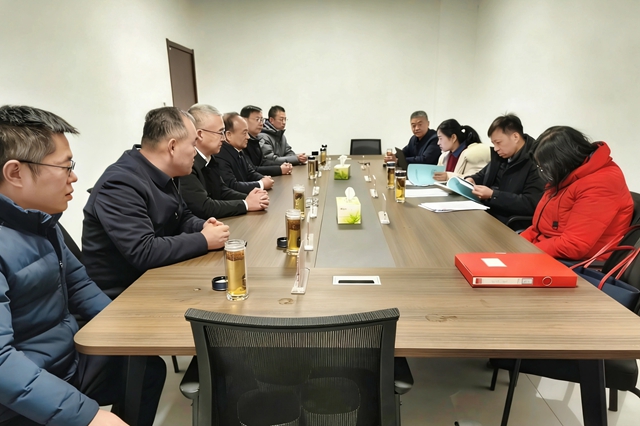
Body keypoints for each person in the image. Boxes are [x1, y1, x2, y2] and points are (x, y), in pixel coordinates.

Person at [0, 105, 164, 426]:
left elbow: (79, 286)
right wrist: (88, 416)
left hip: (66, 364)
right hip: (18, 398)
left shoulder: (41, 223)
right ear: (15, 173)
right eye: (65, 166)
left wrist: (129, 328)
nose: (73, 176)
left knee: (145, 368)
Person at [82, 107, 230, 299]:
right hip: (124, 294)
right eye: (193, 144)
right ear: (172, 146)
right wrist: (203, 239)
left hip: (158, 276)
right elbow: (143, 251)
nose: (195, 152)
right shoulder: (119, 184)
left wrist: (203, 226)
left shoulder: (165, 173)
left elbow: (181, 216)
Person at [520, 126, 633, 260]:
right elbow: (538, 229)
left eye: (545, 168)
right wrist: (517, 245)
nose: (544, 172)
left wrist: (525, 252)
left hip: (578, 263)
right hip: (548, 250)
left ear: (562, 162)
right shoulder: (568, 175)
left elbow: (573, 245)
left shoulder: (600, 184)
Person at [181, 104, 270, 219]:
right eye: (220, 133)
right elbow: (204, 207)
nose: (223, 138)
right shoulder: (187, 164)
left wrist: (251, 197)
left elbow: (222, 191)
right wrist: (246, 204)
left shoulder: (210, 158)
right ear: (200, 134)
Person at [466, 114, 545, 224]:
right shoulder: (502, 155)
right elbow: (482, 175)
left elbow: (530, 203)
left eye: (498, 142)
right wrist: (471, 179)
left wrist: (493, 195)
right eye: (493, 143)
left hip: (507, 220)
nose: (496, 148)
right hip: (487, 212)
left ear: (515, 137)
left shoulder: (535, 161)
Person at [217, 112, 275, 194]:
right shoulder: (221, 155)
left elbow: (250, 173)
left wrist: (264, 178)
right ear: (229, 135)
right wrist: (261, 184)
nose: (248, 137)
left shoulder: (239, 150)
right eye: (244, 133)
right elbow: (232, 185)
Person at [240, 105, 293, 176]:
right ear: (244, 121)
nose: (261, 123)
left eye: (262, 120)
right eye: (257, 119)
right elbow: (251, 169)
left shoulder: (255, 139)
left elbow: (263, 162)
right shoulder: (241, 142)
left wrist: (282, 165)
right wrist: (279, 169)